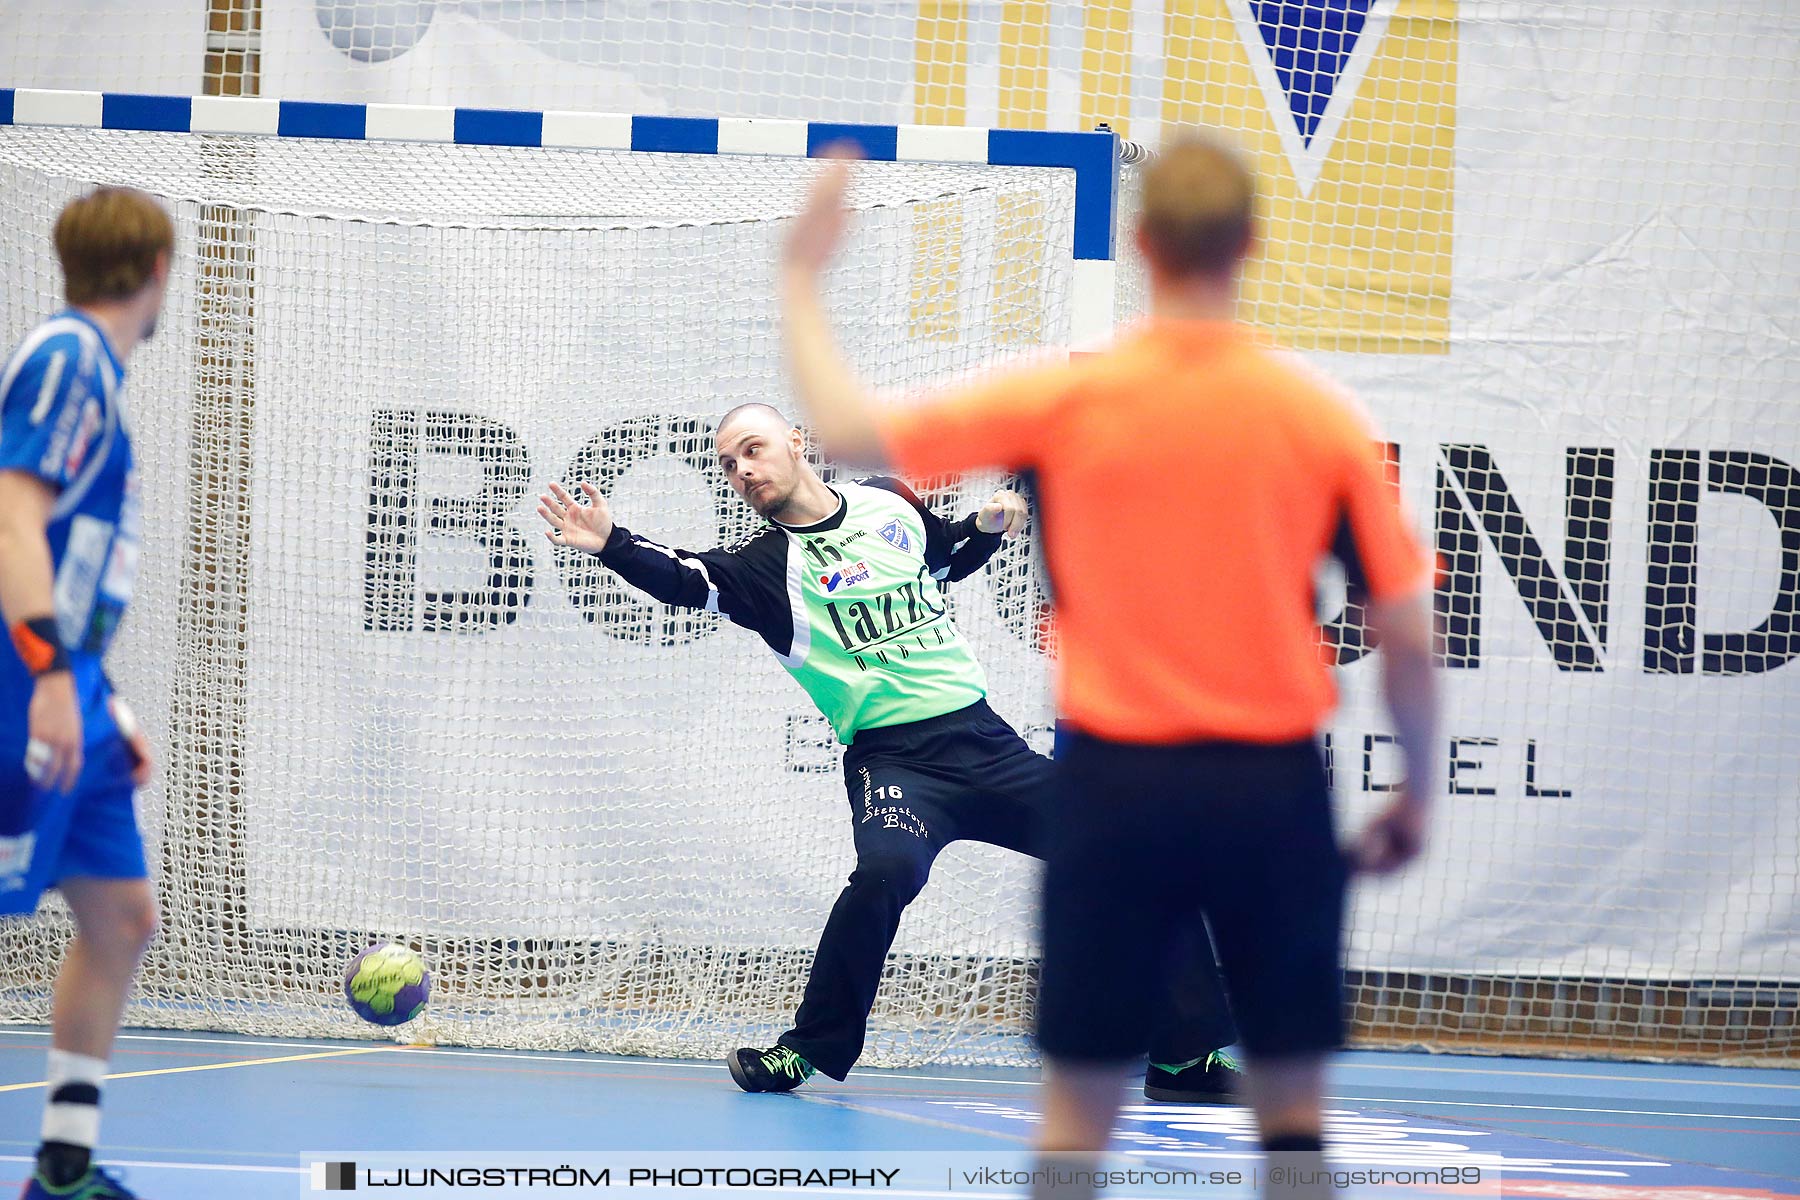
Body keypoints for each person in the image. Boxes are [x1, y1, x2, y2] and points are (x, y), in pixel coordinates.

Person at [777, 138, 1440, 1197]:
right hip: (1267, 786)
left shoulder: (1069, 402)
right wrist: (1416, 787)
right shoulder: (1317, 416)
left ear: (1139, 246)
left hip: (1116, 788)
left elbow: (852, 433)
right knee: (1295, 1122)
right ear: (1253, 246)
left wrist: (802, 277)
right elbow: (1406, 628)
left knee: (1079, 1119)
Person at [536, 402, 1242, 1098]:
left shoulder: (887, 503)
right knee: (884, 872)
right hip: (897, 765)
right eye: (728, 465)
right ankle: (807, 1051)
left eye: (752, 449)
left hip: (984, 741)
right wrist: (611, 542)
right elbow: (688, 578)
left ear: (796, 441)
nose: (742, 470)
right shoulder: (763, 569)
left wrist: (985, 528)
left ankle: (1182, 1060)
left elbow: (941, 557)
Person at [1, 187, 173, 1200]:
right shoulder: (66, 360)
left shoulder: (92, 376)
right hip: (25, 676)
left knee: (120, 918)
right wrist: (54, 678)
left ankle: (62, 1168)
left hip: (70, 680)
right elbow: (11, 524)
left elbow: (66, 560)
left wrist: (103, 702)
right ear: (156, 273)